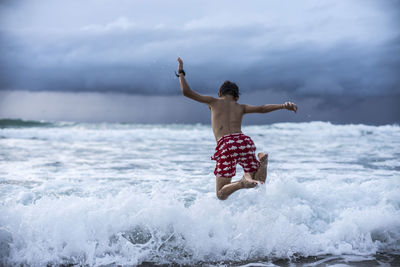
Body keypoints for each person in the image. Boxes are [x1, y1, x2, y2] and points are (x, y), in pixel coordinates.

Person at [177, 57, 298, 200]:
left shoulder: (213, 101)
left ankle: (241, 183)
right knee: (257, 182)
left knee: (221, 194)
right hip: (244, 141)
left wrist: (181, 72)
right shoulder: (240, 106)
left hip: (226, 144)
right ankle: (263, 163)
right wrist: (283, 106)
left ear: (220, 93)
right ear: (236, 97)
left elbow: (186, 92)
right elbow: (263, 108)